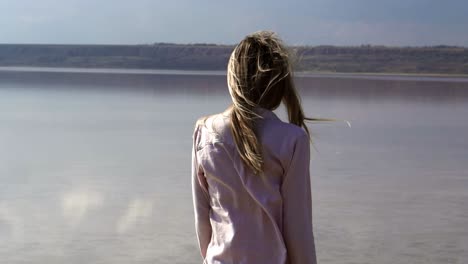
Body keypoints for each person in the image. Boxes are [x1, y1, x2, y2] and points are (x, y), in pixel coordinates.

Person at [191, 31, 321, 264]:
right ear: (279, 84)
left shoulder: (205, 132)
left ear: (233, 78)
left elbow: (203, 223)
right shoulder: (291, 140)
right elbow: (298, 230)